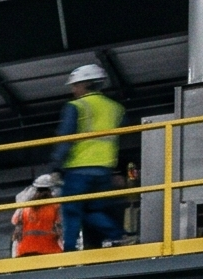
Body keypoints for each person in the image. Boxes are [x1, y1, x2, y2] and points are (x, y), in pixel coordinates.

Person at [56, 65, 129, 250]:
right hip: (104, 169)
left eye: (75, 85)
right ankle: (118, 235)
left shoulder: (76, 106)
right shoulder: (116, 108)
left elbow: (65, 138)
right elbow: (123, 140)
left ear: (86, 84)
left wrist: (56, 166)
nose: (73, 90)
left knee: (71, 211)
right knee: (93, 209)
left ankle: (69, 250)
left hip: (78, 168)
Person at [13, 176, 62, 256]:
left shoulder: (25, 207)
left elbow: (14, 221)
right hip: (50, 250)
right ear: (51, 190)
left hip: (25, 250)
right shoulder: (55, 206)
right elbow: (61, 228)